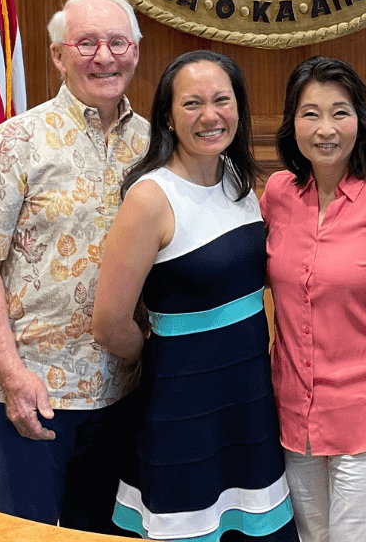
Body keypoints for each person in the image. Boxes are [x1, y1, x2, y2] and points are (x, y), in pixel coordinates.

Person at [0, 0, 148, 532]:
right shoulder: (15, 142)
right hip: (34, 394)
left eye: (117, 42)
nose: (104, 56)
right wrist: (11, 376)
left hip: (123, 394)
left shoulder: (155, 145)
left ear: (135, 51)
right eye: (86, 43)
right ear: (58, 55)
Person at [93, 50, 297, 542]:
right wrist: (164, 355)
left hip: (249, 397)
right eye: (192, 103)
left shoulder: (240, 179)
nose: (210, 115)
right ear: (167, 114)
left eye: (222, 100)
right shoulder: (150, 197)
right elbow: (109, 322)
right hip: (182, 406)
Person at [260, 57, 366, 542]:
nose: (325, 129)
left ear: (361, 119)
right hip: (294, 417)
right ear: (292, 122)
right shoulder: (277, 193)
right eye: (310, 113)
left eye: (340, 112)